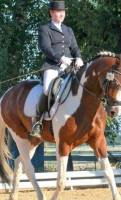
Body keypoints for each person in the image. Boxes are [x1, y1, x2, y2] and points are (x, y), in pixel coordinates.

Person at [30, 1, 83, 138]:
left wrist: (78, 58)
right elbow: (45, 48)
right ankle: (38, 121)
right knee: (48, 89)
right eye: (59, 12)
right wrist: (60, 58)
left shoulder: (68, 29)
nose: (62, 14)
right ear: (51, 13)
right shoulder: (44, 29)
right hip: (52, 66)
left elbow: (75, 48)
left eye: (63, 12)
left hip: (70, 67)